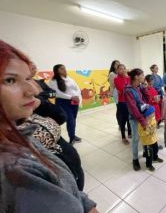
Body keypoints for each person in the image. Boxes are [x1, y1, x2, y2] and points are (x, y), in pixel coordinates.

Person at [0, 40, 97, 212]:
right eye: (10, 80)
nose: (33, 90)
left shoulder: (17, 132)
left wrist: (83, 200)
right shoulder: (15, 169)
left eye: (29, 78)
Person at [48, 64, 82, 145]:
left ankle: (73, 136)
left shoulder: (69, 78)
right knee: (70, 120)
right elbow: (57, 93)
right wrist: (71, 97)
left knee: (73, 119)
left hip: (74, 102)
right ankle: (71, 138)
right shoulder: (53, 80)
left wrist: (77, 97)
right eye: (62, 69)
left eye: (64, 68)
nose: (64, 70)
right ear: (57, 71)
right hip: (63, 103)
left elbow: (77, 88)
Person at [124, 68, 149, 171]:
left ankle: (144, 151)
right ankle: (135, 159)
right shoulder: (128, 90)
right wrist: (142, 120)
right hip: (134, 118)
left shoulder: (139, 87)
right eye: (142, 75)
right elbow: (133, 108)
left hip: (142, 115)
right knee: (135, 139)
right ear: (136, 77)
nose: (144, 77)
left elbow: (145, 100)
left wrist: (144, 89)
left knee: (144, 135)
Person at [137, 105, 163, 171]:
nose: (154, 113)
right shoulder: (141, 124)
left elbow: (155, 125)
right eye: (152, 112)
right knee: (149, 154)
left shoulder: (153, 119)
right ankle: (149, 164)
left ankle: (155, 157)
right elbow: (140, 133)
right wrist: (148, 131)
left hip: (154, 139)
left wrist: (155, 127)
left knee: (156, 149)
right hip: (147, 142)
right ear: (147, 115)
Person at [114, 64, 132, 145]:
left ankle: (130, 133)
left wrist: (127, 87)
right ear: (117, 70)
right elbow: (122, 89)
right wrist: (127, 88)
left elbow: (130, 88)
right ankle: (123, 137)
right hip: (122, 102)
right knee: (123, 120)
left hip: (129, 101)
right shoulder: (116, 79)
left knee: (130, 118)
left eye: (124, 68)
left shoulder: (128, 77)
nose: (123, 70)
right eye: (121, 69)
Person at [108, 60, 121, 128]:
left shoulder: (120, 72)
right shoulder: (112, 74)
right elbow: (112, 85)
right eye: (116, 64)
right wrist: (112, 93)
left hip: (122, 92)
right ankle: (120, 124)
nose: (118, 65)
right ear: (113, 65)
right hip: (116, 92)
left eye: (119, 64)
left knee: (122, 109)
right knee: (119, 109)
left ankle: (122, 122)